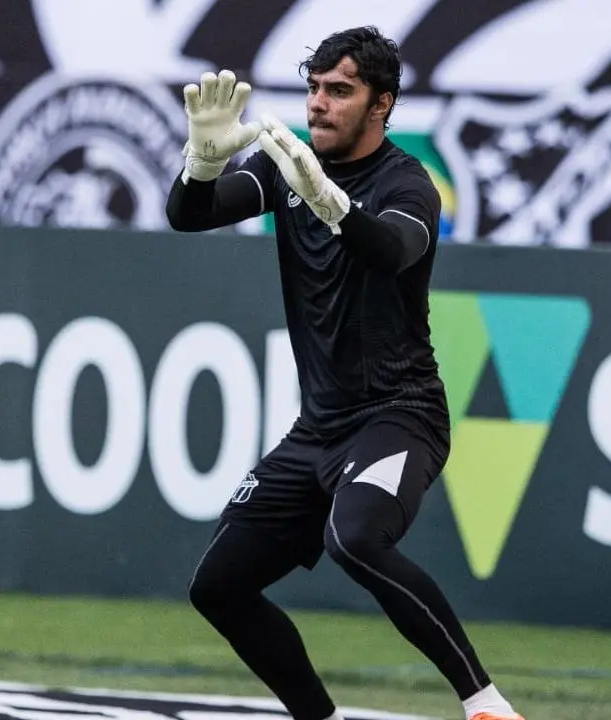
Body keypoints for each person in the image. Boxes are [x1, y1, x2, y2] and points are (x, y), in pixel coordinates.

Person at [165, 26, 525, 720]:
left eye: (340, 90)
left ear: (381, 104)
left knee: (355, 539)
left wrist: (331, 201)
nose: (319, 105)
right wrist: (201, 165)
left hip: (401, 415)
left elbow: (393, 249)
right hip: (319, 428)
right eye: (313, 88)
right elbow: (188, 216)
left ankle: (485, 703)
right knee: (218, 587)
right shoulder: (287, 166)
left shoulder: (407, 182)